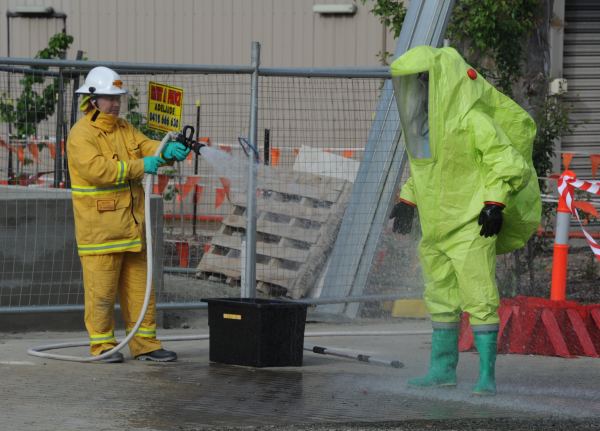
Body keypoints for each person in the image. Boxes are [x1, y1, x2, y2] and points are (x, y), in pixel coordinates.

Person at [389, 46, 541, 395]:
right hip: (436, 228)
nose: (419, 89)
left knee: (479, 296)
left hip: (471, 224)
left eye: (423, 80)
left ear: (440, 80)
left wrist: (494, 203)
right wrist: (408, 200)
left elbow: (508, 164)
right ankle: (442, 370)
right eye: (414, 82)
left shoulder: (472, 119)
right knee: (440, 296)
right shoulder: (424, 127)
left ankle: (486, 375)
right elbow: (427, 170)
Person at [67, 66, 190, 363]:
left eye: (118, 98)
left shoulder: (124, 128)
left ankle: (145, 345)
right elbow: (98, 170)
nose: (115, 104)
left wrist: (165, 151)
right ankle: (102, 346)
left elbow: (146, 146)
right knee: (101, 294)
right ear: (93, 100)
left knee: (141, 291)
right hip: (101, 232)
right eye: (110, 98)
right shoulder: (81, 135)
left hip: (133, 230)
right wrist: (140, 166)